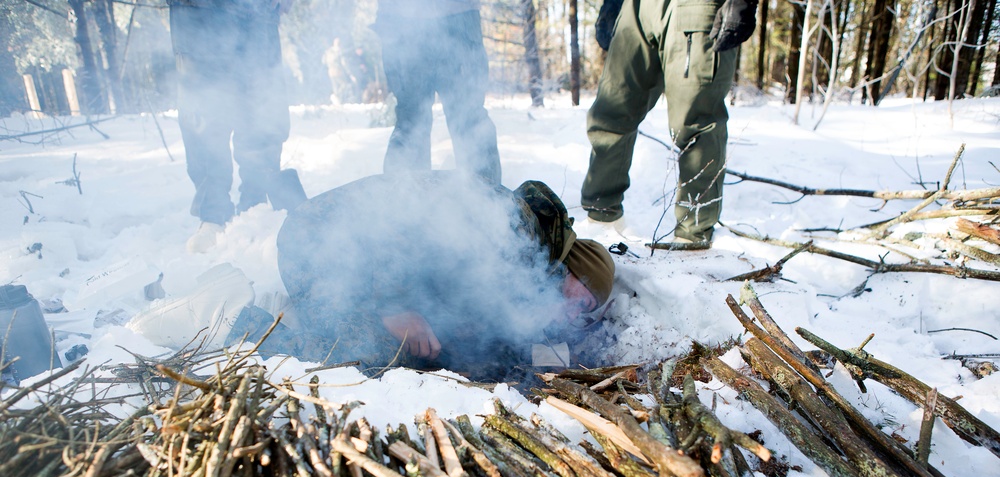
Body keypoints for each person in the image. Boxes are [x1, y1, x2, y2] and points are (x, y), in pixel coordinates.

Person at [235, 171, 615, 377]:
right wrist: (395, 308)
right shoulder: (513, 224)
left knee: (441, 347)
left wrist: (557, 357)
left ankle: (304, 312)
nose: (572, 313)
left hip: (363, 267)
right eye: (581, 300)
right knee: (376, 354)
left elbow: (489, 334)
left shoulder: (524, 261)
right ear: (572, 268)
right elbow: (405, 223)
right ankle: (241, 324)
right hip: (317, 247)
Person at [581, 0, 757, 245]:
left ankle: (692, 238)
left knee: (696, 121)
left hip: (696, 8)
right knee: (611, 113)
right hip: (635, 8)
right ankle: (601, 221)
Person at [167, 0, 307, 242]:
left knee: (263, 106)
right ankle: (213, 216)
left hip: (258, 11)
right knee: (202, 110)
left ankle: (255, 208)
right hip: (196, 11)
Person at [374, 0, 502, 184]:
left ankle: (490, 205)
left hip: (452, 17)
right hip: (404, 20)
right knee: (413, 123)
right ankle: (403, 204)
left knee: (468, 121)